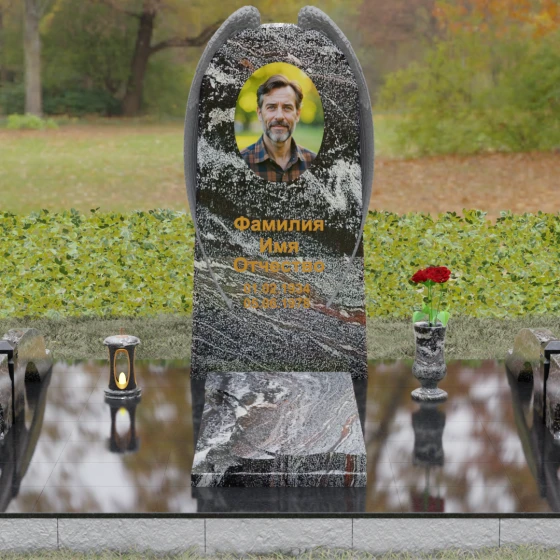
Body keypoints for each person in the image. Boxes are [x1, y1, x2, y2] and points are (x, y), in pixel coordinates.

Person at [240, 74, 316, 182]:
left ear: (297, 114)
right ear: (259, 113)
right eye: (271, 107)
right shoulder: (239, 163)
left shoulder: (315, 163)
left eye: (287, 108)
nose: (279, 116)